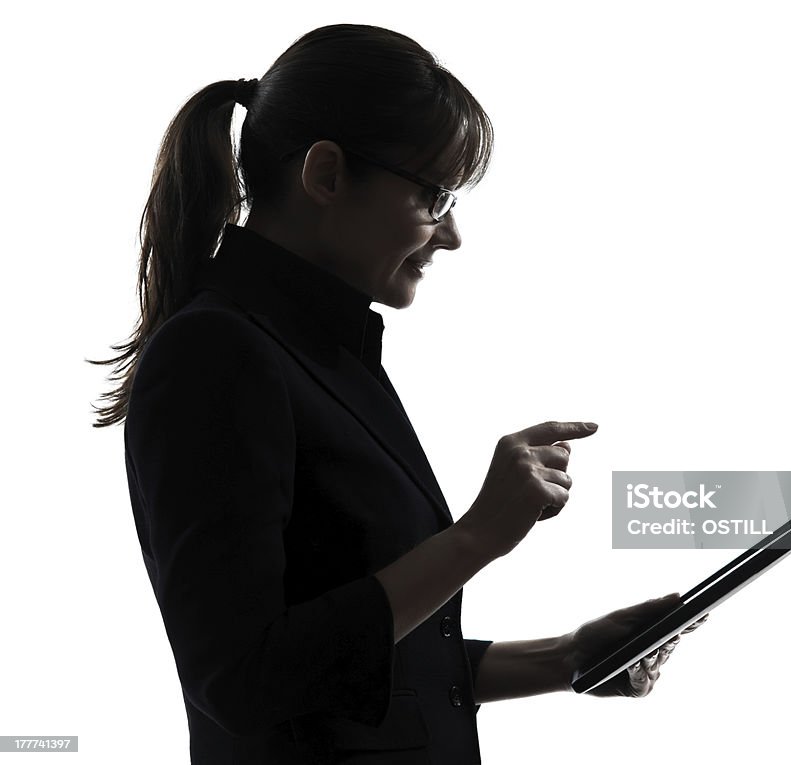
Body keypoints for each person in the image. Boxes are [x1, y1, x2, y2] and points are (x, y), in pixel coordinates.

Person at [89, 23, 707, 764]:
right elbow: (243, 677)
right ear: (326, 174)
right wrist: (475, 538)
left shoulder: (328, 352)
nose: (450, 236)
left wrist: (566, 656)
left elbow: (366, 666)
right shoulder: (215, 354)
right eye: (435, 195)